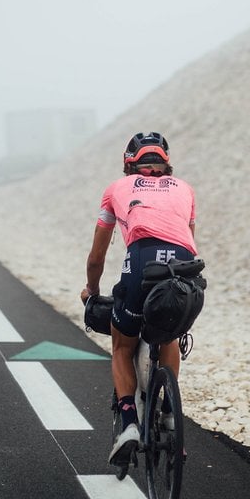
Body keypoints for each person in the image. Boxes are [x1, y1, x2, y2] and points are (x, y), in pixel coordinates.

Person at [80, 131, 198, 466]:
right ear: (166, 162)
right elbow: (189, 238)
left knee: (122, 345)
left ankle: (129, 423)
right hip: (183, 266)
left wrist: (92, 290)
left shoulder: (116, 189)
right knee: (169, 331)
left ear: (128, 164)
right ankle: (170, 414)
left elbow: (96, 257)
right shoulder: (186, 189)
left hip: (140, 264)